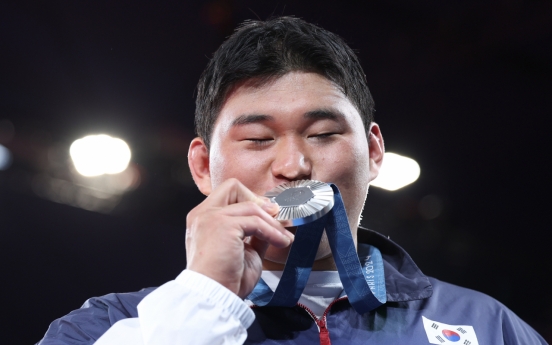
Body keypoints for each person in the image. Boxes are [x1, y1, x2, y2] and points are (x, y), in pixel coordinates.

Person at [38, 16, 546, 345]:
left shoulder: (488, 326)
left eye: (323, 133)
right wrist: (202, 301)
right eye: (258, 140)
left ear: (373, 153)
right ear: (200, 167)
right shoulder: (104, 327)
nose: (295, 165)